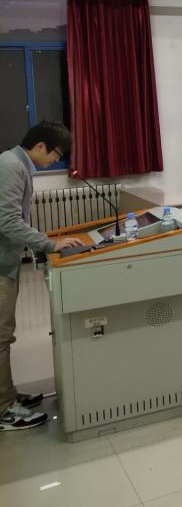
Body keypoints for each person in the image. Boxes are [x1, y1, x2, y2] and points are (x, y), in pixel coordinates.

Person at [0, 122, 82, 431]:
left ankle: (6, 395)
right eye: (56, 154)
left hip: (5, 262)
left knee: (3, 335)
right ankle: (4, 409)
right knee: (1, 337)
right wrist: (48, 244)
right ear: (40, 147)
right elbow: (8, 220)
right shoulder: (11, 166)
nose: (56, 160)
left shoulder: (17, 163)